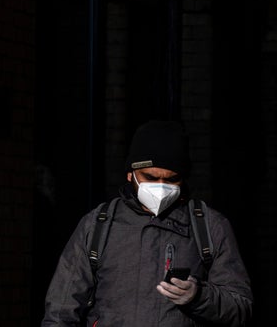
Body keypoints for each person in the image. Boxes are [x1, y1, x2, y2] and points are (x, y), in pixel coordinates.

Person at [41, 120, 253, 326]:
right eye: (150, 177)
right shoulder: (98, 225)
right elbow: (61, 311)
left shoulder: (209, 226)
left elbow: (240, 307)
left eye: (171, 180)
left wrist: (198, 296)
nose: (160, 187)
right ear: (130, 174)